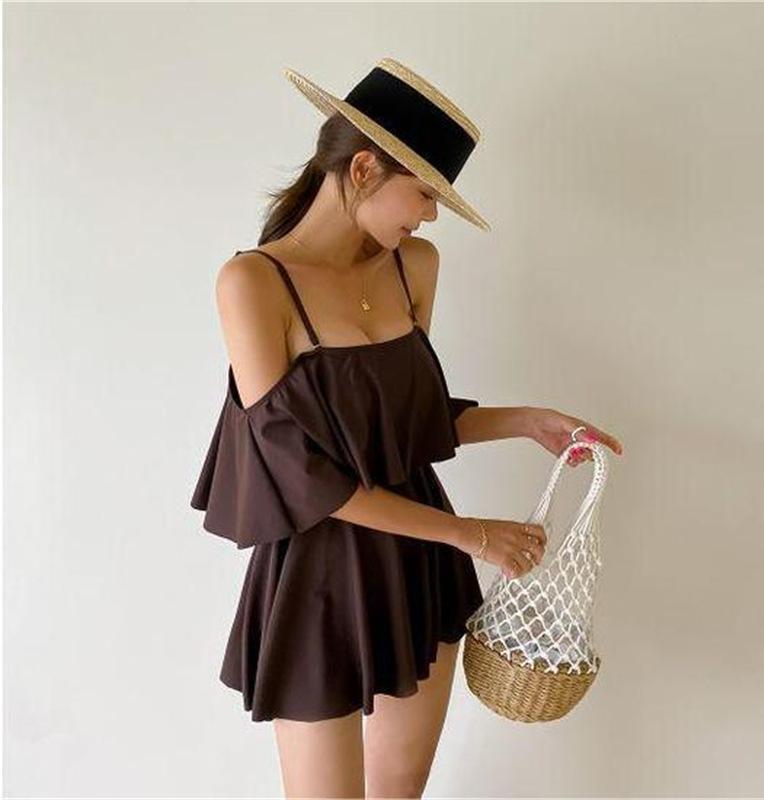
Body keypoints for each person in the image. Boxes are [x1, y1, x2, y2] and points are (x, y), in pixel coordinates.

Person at [190, 58, 624, 799]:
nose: (428, 217)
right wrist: (470, 535)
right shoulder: (254, 282)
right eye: (424, 193)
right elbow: (298, 470)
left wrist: (527, 422)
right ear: (364, 168)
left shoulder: (413, 266)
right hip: (317, 576)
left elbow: (405, 424)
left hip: (419, 566)